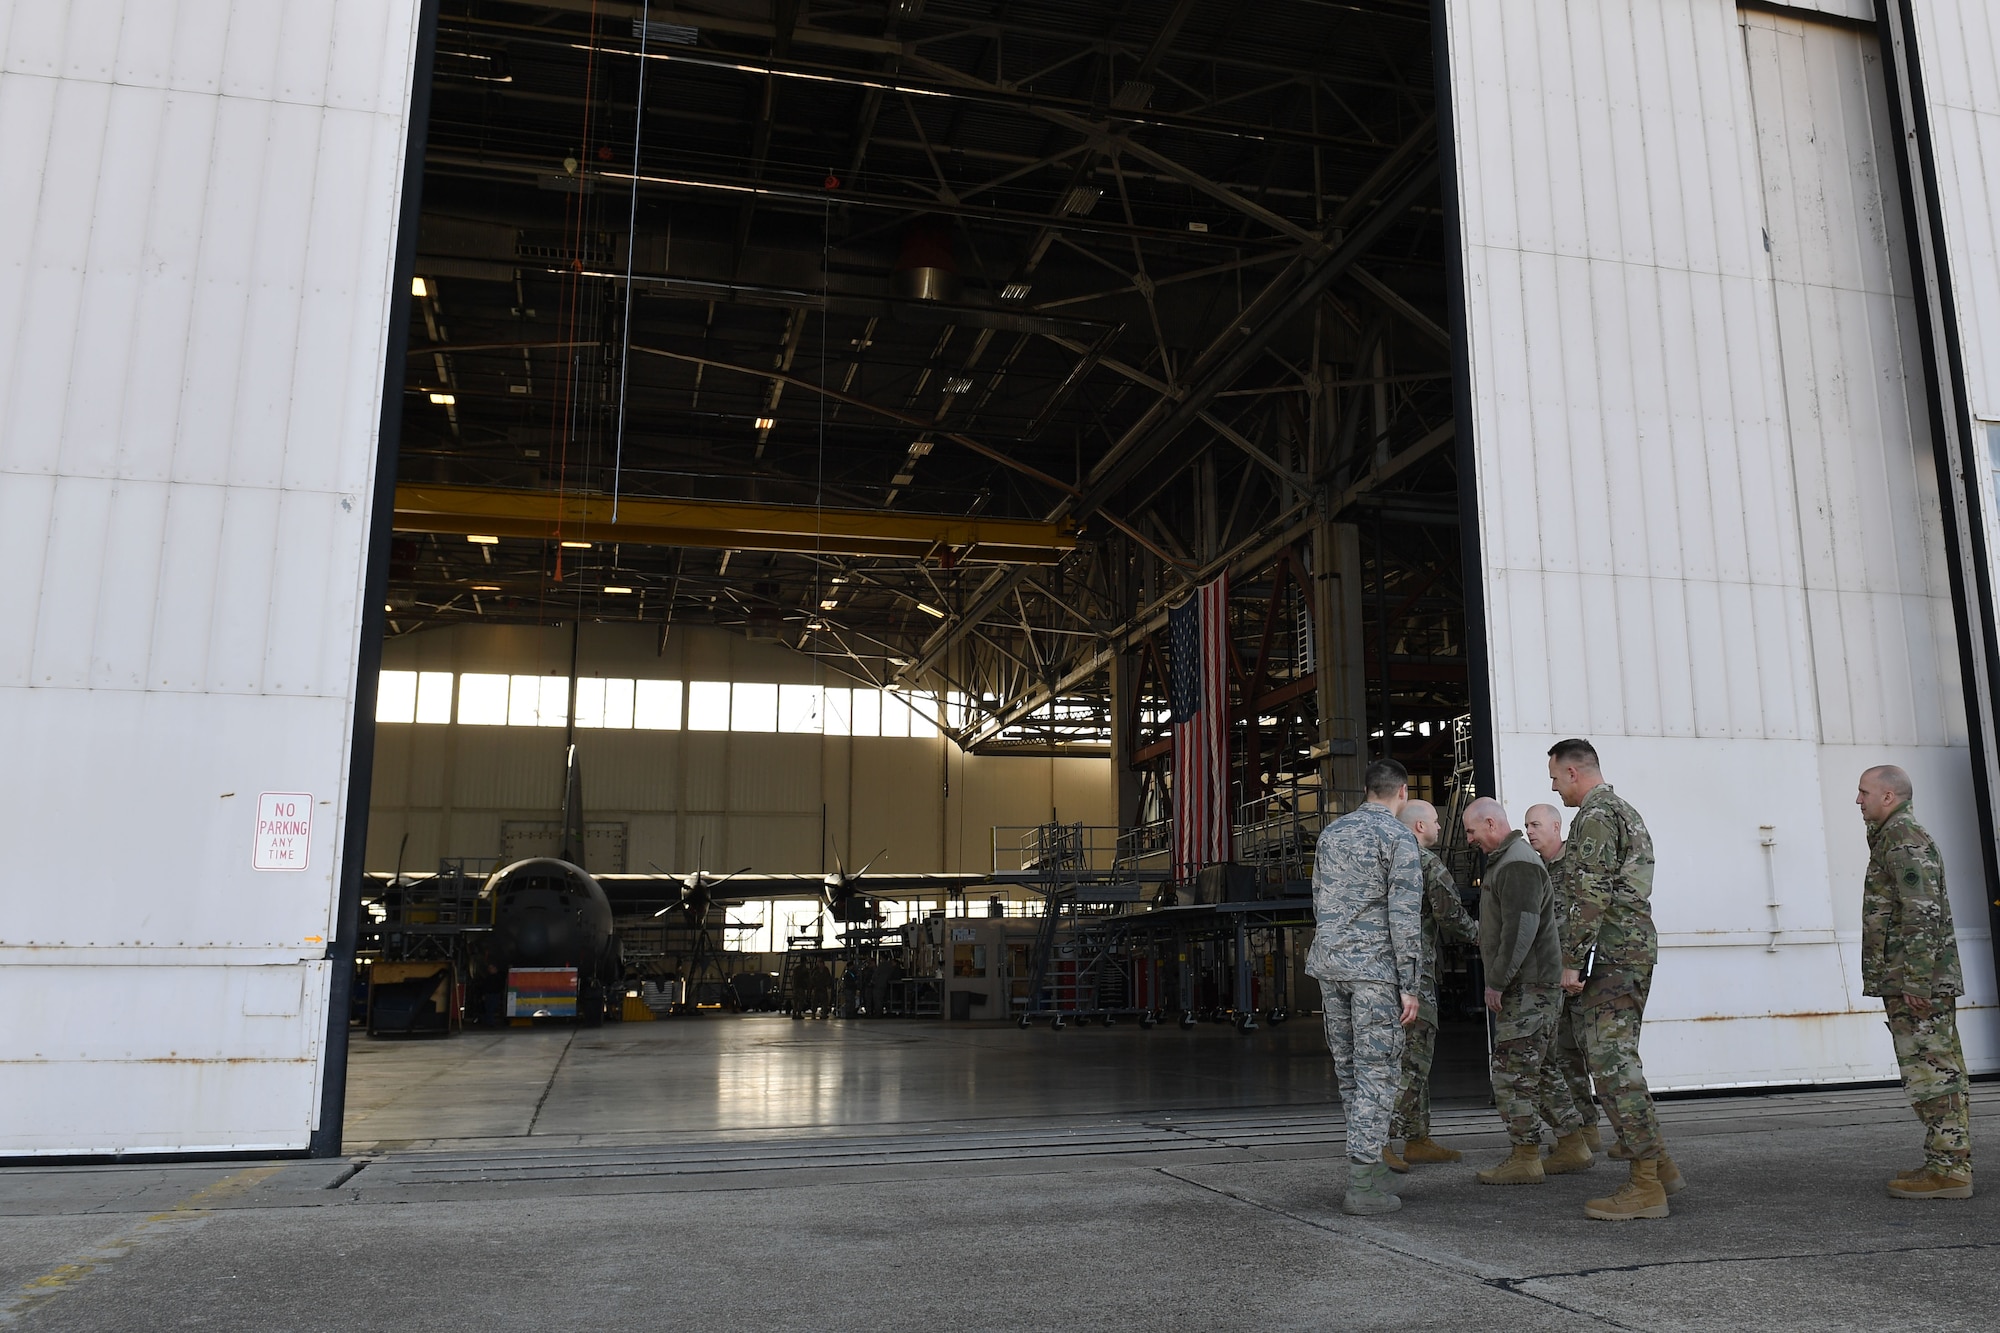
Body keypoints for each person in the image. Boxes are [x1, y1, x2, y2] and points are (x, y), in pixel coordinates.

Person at [1549, 738, 1683, 1219]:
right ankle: (1661, 1166)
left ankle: (1646, 1184)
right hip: (1629, 950)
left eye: (1554, 778)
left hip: (1610, 954)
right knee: (1617, 1059)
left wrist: (1571, 959)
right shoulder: (1626, 811)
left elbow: (1591, 892)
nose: (1555, 788)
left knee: (1611, 1067)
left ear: (1573, 773)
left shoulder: (1596, 816)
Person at [1306, 758, 1423, 1216]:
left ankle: (1370, 1164)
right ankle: (1361, 1182)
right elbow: (1404, 916)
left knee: (1351, 1070)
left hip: (1330, 968)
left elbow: (1320, 898)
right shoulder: (1399, 838)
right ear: (1402, 792)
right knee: (1378, 1073)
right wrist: (1409, 983)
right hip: (1375, 972)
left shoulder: (1332, 834)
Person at [1857, 765, 1973, 1198]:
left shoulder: (1904, 839)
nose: (1858, 800)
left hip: (1917, 982)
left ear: (1889, 797)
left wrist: (1918, 982)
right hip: (1909, 977)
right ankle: (1945, 1161)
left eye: (1864, 792)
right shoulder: (1891, 837)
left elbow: (1920, 912)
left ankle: (1950, 1170)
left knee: (1932, 1072)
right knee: (1931, 1069)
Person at [1461, 798, 1586, 1185]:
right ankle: (1572, 1145)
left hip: (1528, 987)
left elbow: (1521, 930)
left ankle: (1525, 1156)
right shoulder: (1510, 860)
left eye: (1471, 831)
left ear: (1491, 824)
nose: (1469, 839)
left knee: (1511, 1072)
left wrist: (1496, 982)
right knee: (1542, 1068)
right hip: (1532, 985)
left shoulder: (1516, 864)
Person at [1384, 799, 1479, 1171]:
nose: (1441, 827)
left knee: (1406, 1057)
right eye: (1436, 822)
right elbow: (1452, 916)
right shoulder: (1425, 862)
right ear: (1420, 827)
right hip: (1415, 977)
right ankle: (1381, 1139)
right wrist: (1483, 936)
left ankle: (1416, 1138)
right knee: (1415, 1061)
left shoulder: (1386, 858)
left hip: (1389, 974)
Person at [1525, 802, 1603, 1158]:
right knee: (1561, 1055)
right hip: (1552, 980)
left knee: (1596, 1054)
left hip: (1581, 977)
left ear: (1556, 827)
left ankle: (1622, 1132)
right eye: (1527, 825)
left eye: (1537, 824)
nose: (1530, 831)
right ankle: (1584, 1127)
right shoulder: (1535, 868)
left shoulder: (1576, 864)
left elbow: (1593, 914)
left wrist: (1581, 969)